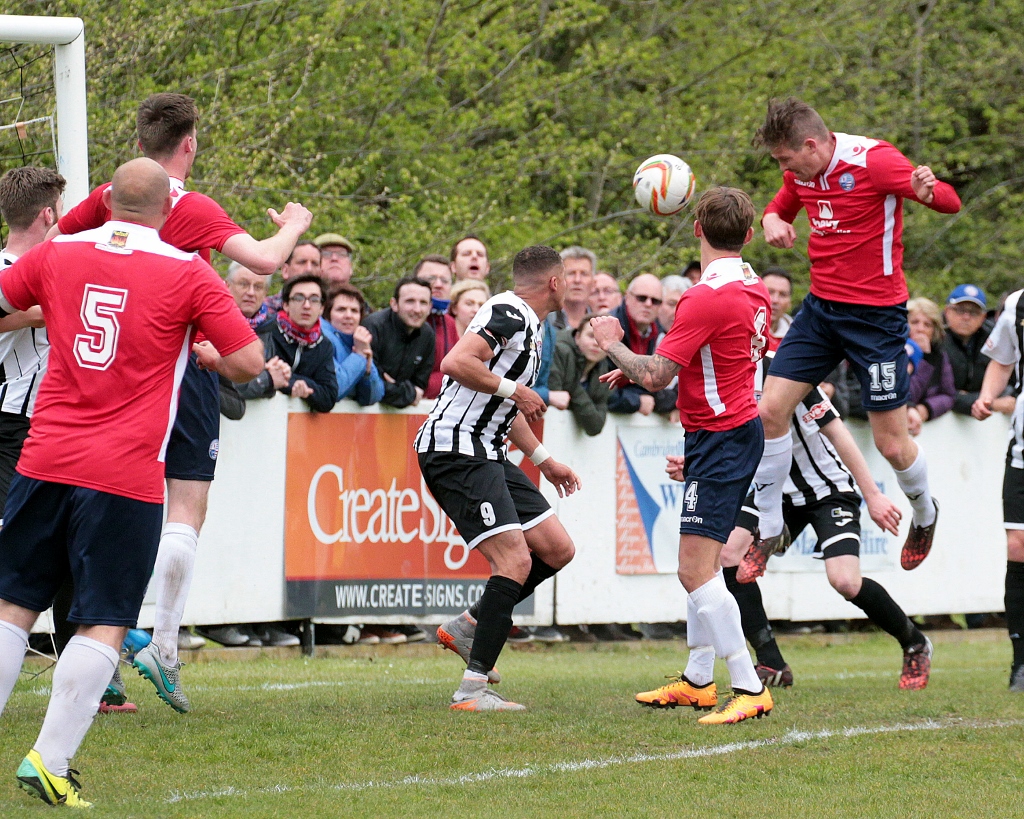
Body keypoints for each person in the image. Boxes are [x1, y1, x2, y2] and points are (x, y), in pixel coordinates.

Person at [0, 158, 263, 807]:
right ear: (168, 212)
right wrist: (201, 345)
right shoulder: (188, 271)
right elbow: (250, 361)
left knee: (12, 609)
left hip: (44, 456)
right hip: (124, 473)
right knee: (104, 621)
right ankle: (49, 760)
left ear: (105, 202)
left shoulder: (61, 252)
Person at [51, 92, 313, 711]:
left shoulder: (108, 199)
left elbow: (55, 248)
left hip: (105, 367)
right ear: (190, 144)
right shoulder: (188, 205)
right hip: (181, 363)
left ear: (140, 144)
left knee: (97, 506)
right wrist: (293, 225)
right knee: (185, 508)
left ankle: (104, 642)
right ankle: (162, 643)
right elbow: (263, 263)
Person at [749, 97, 961, 577]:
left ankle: (925, 514)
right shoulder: (801, 174)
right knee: (769, 410)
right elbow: (778, 208)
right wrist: (772, 221)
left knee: (892, 444)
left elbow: (950, 201)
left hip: (876, 321)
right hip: (821, 312)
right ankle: (769, 525)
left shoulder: (875, 162)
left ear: (810, 144)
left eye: (785, 158)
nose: (783, 169)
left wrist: (927, 191)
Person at [592, 186, 775, 725]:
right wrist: (641, 362)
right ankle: (698, 679)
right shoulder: (752, 285)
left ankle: (748, 684)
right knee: (695, 567)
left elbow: (657, 375)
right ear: (748, 235)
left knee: (695, 571)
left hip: (722, 436)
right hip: (724, 433)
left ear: (696, 229)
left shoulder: (704, 295)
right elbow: (716, 353)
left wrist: (612, 342)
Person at [416, 245, 580, 711]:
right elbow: (456, 363)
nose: (567, 285)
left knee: (556, 548)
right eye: (566, 278)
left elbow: (510, 407)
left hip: (486, 450)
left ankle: (469, 626)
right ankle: (471, 692)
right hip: (455, 449)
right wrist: (516, 389)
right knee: (515, 561)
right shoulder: (508, 310)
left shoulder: (533, 324)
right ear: (554, 282)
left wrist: (545, 460)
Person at [720, 352, 932, 690]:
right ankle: (771, 661)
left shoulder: (783, 368)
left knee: (845, 582)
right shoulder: (718, 374)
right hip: (773, 494)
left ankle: (915, 642)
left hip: (827, 491)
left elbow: (837, 432)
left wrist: (872, 494)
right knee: (729, 554)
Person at [972, 288, 1024, 691]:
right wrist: (988, 396)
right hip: (1022, 450)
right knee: (1017, 546)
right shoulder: (1015, 305)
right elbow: (1002, 360)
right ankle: (1021, 662)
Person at [240, 274, 338, 412]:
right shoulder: (267, 331)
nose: (306, 305)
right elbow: (258, 375)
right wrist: (293, 384)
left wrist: (303, 385)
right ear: (285, 304)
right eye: (298, 298)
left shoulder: (323, 344)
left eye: (314, 300)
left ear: (322, 308)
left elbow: (329, 397)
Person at [606, 274, 675, 416]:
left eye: (655, 301)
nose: (648, 304)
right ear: (627, 298)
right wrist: (636, 400)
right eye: (641, 298)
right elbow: (598, 387)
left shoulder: (662, 335)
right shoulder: (608, 327)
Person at [364, 276, 435, 408]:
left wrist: (395, 388)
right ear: (394, 304)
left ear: (430, 307)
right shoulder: (374, 326)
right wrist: (407, 392)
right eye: (410, 301)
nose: (417, 309)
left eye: (423, 303)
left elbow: (420, 387)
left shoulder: (428, 335)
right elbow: (370, 385)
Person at [944, 284, 1012, 417]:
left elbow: (1010, 384)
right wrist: (991, 403)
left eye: (974, 312)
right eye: (960, 310)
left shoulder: (993, 341)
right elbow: (939, 393)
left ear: (983, 317)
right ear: (947, 311)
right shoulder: (934, 340)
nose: (966, 317)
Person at [548, 314, 614, 435]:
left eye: (603, 339)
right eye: (591, 336)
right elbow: (554, 405)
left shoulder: (604, 370)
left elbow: (596, 426)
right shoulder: (560, 351)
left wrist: (573, 388)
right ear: (577, 337)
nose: (596, 343)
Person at [322, 283, 385, 405]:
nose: (348, 316)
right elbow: (334, 388)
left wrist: (368, 371)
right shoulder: (323, 338)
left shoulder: (358, 342)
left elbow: (373, 397)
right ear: (327, 314)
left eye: (354, 311)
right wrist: (359, 357)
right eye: (341, 309)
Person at [906, 297, 956, 435]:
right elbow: (908, 393)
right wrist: (921, 358)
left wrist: (927, 408)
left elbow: (949, 395)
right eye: (914, 322)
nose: (920, 329)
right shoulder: (893, 352)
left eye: (927, 325)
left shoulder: (939, 356)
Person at [420, 255, 460, 400]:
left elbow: (459, 372)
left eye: (445, 281)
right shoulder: (401, 320)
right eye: (431, 278)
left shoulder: (449, 323)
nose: (438, 284)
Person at [264, 240, 320, 313]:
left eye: (314, 264)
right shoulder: (264, 310)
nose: (309, 269)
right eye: (302, 262)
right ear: (285, 271)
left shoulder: (331, 311)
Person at [550, 247, 596, 331]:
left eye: (584, 274)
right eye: (571, 273)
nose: (577, 280)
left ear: (593, 283)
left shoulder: (602, 322)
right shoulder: (543, 322)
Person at [761, 265, 793, 350]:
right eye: (770, 292)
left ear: (789, 302)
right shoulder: (741, 330)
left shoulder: (797, 338)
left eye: (782, 294)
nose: (775, 300)